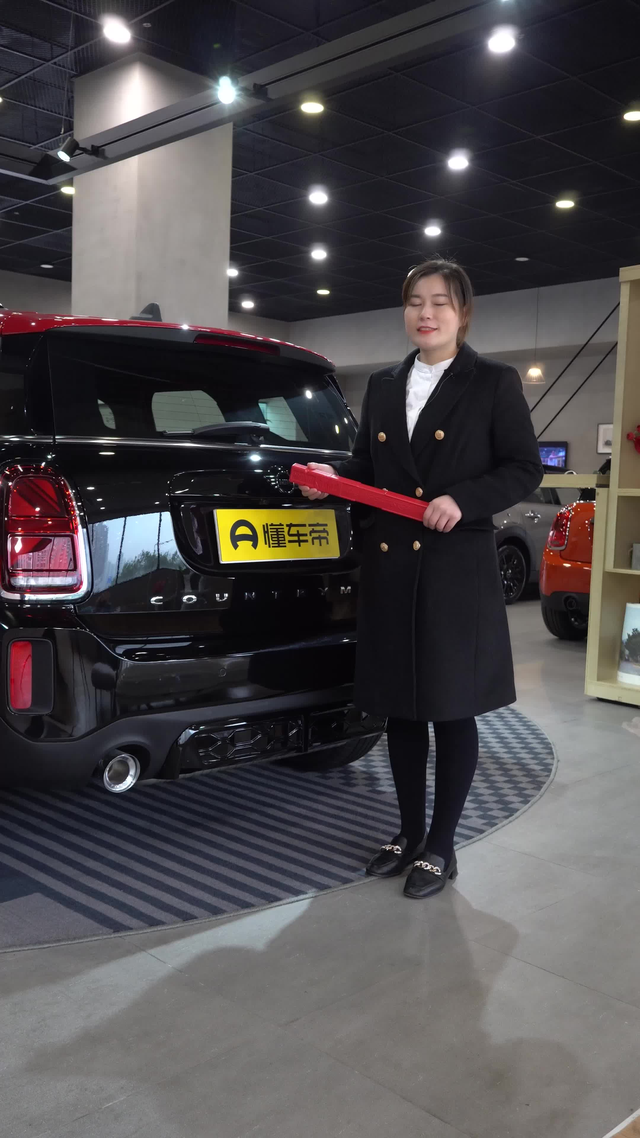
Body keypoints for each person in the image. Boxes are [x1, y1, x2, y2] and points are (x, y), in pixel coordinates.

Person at [298, 258, 543, 899]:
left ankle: (441, 846)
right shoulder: (384, 384)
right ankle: (408, 834)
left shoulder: (493, 381)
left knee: (450, 709)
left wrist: (463, 499)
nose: (425, 313)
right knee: (401, 710)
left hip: (453, 569)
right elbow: (367, 466)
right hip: (392, 568)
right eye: (414, 302)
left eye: (439, 302)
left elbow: (524, 467)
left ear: (463, 313)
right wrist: (332, 481)